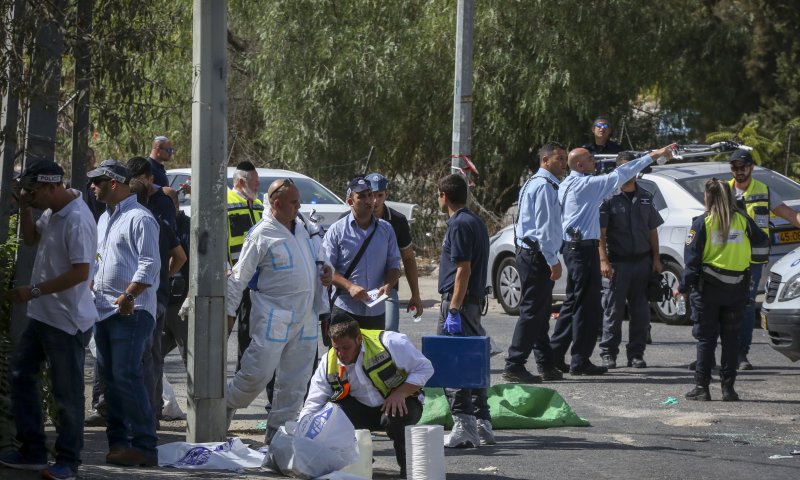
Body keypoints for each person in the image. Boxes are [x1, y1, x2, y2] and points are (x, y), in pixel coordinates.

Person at [0, 161, 97, 480]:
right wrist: (25, 209)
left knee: (66, 394)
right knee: (20, 375)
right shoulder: (52, 211)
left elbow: (80, 273)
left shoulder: (77, 219)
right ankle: (33, 452)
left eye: (33, 191)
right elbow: (31, 239)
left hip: (67, 321)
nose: (29, 195)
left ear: (52, 187)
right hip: (43, 316)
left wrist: (34, 291)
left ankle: (69, 461)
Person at [550, 144, 675, 375]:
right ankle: (579, 361)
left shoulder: (567, 183)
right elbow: (621, 174)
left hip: (574, 248)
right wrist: (653, 155)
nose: (595, 162)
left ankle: (555, 356)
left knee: (572, 305)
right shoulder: (586, 185)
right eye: (590, 159)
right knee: (587, 309)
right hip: (583, 250)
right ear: (580, 165)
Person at [225, 178, 332, 444]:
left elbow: (316, 262)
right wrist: (227, 317)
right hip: (273, 319)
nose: (299, 207)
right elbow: (238, 279)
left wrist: (326, 274)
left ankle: (277, 440)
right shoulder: (261, 234)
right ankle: (221, 408)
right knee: (255, 375)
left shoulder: (304, 229)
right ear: (276, 203)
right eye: (294, 202)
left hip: (305, 320)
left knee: (295, 384)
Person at [300, 314, 433, 479]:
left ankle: (408, 469)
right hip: (361, 409)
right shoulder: (328, 362)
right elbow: (314, 401)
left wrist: (401, 393)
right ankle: (359, 464)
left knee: (397, 416)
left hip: (399, 404)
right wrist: (301, 432)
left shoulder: (390, 342)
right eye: (336, 348)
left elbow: (425, 368)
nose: (340, 353)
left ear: (359, 339)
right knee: (330, 416)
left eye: (346, 347)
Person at [89, 159, 161, 467]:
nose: (92, 186)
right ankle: (118, 444)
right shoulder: (104, 218)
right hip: (103, 310)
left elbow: (150, 263)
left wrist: (129, 295)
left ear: (114, 183)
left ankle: (145, 446)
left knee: (126, 375)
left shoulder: (140, 218)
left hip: (131, 312)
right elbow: (100, 259)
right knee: (110, 379)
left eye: (97, 181)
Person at [677, 179, 769, 401]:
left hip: (707, 290)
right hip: (737, 288)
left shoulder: (702, 223)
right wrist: (750, 265)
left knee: (706, 340)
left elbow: (692, 262)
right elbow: (762, 242)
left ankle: (702, 387)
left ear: (707, 197)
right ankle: (728, 389)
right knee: (731, 340)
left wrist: (682, 287)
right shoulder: (743, 220)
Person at [729, 148, 800, 370]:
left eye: (742, 167)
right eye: (734, 168)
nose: (738, 171)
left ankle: (741, 354)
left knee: (747, 305)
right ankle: (712, 354)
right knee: (721, 307)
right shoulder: (724, 191)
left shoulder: (764, 191)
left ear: (751, 167)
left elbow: (790, 214)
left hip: (752, 261)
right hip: (725, 260)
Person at [502, 142, 567, 384]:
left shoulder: (537, 182)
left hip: (530, 252)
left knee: (540, 311)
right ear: (545, 160)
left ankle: (546, 364)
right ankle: (514, 364)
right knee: (532, 312)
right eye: (559, 159)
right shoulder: (544, 186)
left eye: (564, 158)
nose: (563, 163)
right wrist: (553, 261)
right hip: (536, 255)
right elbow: (545, 229)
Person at [436, 173, 492, 448]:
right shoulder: (475, 221)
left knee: (451, 363)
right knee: (471, 363)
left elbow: (463, 270)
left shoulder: (458, 224)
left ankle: (465, 425)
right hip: (472, 303)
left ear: (443, 196)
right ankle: (482, 423)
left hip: (459, 303)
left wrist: (454, 309)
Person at [598, 152, 664, 369]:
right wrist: (603, 260)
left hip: (642, 263)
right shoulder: (608, 197)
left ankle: (636, 354)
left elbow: (652, 230)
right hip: (618, 264)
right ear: (617, 170)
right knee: (613, 311)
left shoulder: (646, 196)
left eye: (633, 168)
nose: (630, 173)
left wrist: (656, 258)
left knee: (641, 313)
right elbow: (601, 234)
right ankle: (608, 353)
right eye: (626, 169)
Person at [323, 175, 401, 330]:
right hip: (345, 309)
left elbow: (394, 265)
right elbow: (326, 269)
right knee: (343, 347)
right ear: (350, 202)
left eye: (370, 195)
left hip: (376, 311)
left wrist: (388, 285)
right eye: (362, 196)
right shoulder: (337, 231)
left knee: (376, 347)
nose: (369, 200)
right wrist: (350, 287)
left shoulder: (386, 229)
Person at [366, 172, 424, 331]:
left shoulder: (398, 221)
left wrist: (415, 295)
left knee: (389, 333)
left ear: (386, 194)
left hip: (387, 289)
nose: (375, 201)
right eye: (371, 195)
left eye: (379, 195)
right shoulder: (352, 219)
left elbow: (408, 258)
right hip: (359, 289)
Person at [226, 161, 265, 368]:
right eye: (255, 181)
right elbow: (217, 239)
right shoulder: (226, 202)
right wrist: (224, 266)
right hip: (232, 277)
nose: (258, 185)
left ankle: (243, 374)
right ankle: (212, 378)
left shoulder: (259, 205)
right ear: (241, 182)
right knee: (223, 331)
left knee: (248, 332)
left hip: (254, 280)